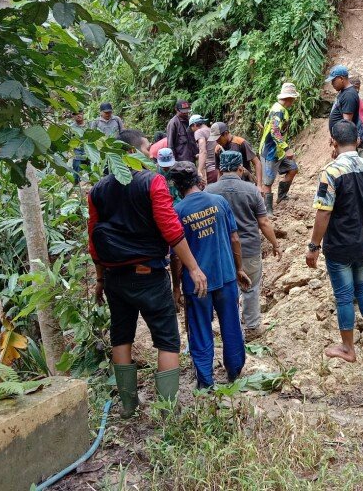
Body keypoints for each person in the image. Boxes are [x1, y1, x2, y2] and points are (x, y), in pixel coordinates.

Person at [88, 129, 207, 417]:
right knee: (167, 340)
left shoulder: (97, 190)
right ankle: (167, 411)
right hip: (149, 275)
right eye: (145, 150)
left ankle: (128, 406)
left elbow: (93, 239)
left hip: (115, 277)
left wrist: (100, 279)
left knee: (121, 337)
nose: (149, 157)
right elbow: (171, 229)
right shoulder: (152, 182)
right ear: (130, 152)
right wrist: (193, 268)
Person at [306, 120, 363, 363]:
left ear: (333, 141)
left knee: (343, 295)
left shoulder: (331, 172)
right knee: (361, 285)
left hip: (340, 244)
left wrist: (313, 246)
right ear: (359, 140)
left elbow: (324, 212)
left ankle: (348, 348)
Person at [169, 161, 250, 389]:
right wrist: (239, 268)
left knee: (200, 329)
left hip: (196, 284)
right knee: (231, 324)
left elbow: (176, 256)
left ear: (176, 186)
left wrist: (176, 286)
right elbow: (235, 238)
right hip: (225, 276)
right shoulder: (219, 202)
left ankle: (205, 382)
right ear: (198, 180)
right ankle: (234, 372)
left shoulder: (178, 212)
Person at [207, 151, 280, 342]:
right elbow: (263, 222)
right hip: (249, 249)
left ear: (220, 170)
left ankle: (228, 327)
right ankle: (251, 327)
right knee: (251, 288)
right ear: (240, 168)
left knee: (225, 289)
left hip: (221, 251)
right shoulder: (251, 190)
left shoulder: (209, 191)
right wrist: (275, 244)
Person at [258, 82, 299, 215]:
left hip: (278, 151)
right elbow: (274, 131)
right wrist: (287, 148)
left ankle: (281, 195)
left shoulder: (281, 110)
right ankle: (268, 210)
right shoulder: (278, 111)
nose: (294, 101)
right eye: (293, 98)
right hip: (270, 152)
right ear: (289, 98)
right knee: (268, 182)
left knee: (293, 168)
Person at [210, 121, 263, 187]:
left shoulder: (240, 143)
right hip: (228, 185)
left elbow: (257, 163)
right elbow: (220, 172)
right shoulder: (218, 149)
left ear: (225, 133)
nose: (217, 141)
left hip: (245, 183)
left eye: (218, 139)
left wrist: (259, 186)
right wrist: (219, 186)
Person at [166, 99, 198, 164]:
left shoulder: (190, 121)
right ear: (176, 109)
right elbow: (170, 144)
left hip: (192, 159)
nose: (186, 113)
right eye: (183, 111)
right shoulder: (173, 123)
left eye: (187, 111)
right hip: (180, 161)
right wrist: (173, 162)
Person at [189, 114, 218, 185]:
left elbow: (203, 151)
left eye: (191, 127)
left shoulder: (199, 132)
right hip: (218, 168)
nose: (191, 130)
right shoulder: (211, 130)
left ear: (194, 125)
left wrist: (199, 170)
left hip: (210, 170)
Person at [69, 111, 88, 183]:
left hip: (89, 150)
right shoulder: (71, 127)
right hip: (77, 151)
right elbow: (69, 140)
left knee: (92, 169)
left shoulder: (89, 125)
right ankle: (76, 184)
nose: (78, 115)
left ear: (83, 114)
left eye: (80, 113)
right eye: (76, 114)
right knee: (77, 169)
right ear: (73, 116)